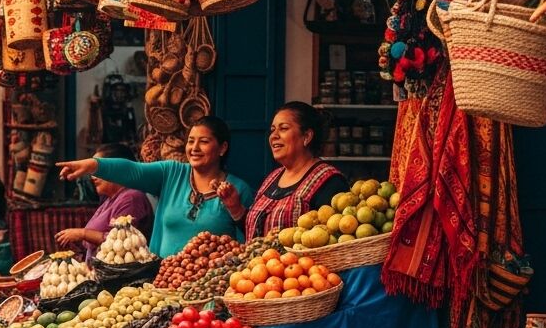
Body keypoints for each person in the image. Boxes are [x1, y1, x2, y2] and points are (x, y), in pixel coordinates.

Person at [58, 116, 253, 256]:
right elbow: (133, 171)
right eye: (191, 141)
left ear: (222, 148)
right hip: (163, 284)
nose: (194, 148)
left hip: (210, 290)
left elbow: (248, 244)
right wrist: (93, 165)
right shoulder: (171, 173)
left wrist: (235, 207)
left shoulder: (238, 189)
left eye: (204, 142)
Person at [240, 102, 350, 239]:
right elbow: (255, 229)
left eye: (283, 128)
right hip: (260, 261)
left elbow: (333, 239)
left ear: (307, 137)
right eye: (272, 129)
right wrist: (235, 208)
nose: (274, 135)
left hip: (301, 261)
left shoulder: (330, 181)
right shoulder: (272, 178)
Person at [55, 143, 155, 261]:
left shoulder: (132, 198)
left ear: (115, 170)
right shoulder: (110, 199)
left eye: (98, 170)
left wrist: (82, 234)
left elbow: (121, 245)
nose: (93, 177)